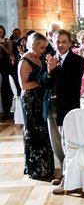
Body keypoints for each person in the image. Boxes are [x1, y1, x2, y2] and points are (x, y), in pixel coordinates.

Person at [39, 30, 84, 192]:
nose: (61, 45)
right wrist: (49, 71)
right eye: (58, 41)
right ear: (53, 42)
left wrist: (54, 69)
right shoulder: (49, 58)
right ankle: (66, 173)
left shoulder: (78, 61)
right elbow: (43, 82)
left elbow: (70, 83)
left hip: (68, 106)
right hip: (51, 104)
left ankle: (69, 179)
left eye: (64, 41)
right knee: (56, 142)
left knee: (68, 142)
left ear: (70, 43)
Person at [18, 32, 54, 180]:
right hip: (30, 101)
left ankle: (46, 167)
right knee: (33, 132)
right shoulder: (25, 62)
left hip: (40, 99)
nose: (43, 50)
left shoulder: (39, 58)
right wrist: (41, 83)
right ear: (33, 45)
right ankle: (35, 169)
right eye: (41, 47)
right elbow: (24, 85)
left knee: (43, 131)